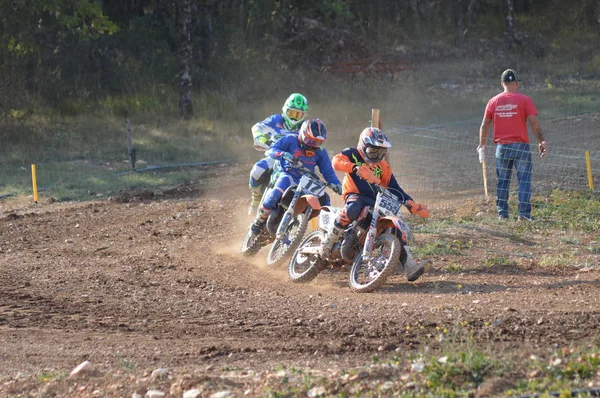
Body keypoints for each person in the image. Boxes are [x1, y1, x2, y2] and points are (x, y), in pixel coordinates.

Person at [320, 127, 430, 282]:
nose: (377, 156)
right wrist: (355, 167)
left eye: (381, 152)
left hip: (376, 201)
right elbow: (336, 162)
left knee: (396, 228)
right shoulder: (353, 153)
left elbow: (395, 188)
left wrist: (411, 204)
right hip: (355, 195)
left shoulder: (383, 167)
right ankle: (328, 242)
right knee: (354, 207)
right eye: (373, 151)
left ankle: (409, 265)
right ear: (363, 146)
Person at [250, 118, 343, 234]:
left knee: (325, 200)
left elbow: (328, 172)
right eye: (310, 141)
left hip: (306, 180)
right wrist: (283, 154)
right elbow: (271, 150)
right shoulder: (291, 139)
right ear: (303, 134)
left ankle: (311, 228)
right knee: (277, 192)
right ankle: (259, 221)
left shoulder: (321, 152)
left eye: (317, 142)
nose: (313, 146)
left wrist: (337, 185)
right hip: (288, 174)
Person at [478, 69, 547, 221]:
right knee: (524, 180)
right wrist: (541, 141)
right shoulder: (525, 100)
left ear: (502, 84)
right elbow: (534, 123)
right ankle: (523, 214)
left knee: (502, 181)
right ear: (516, 83)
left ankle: (502, 214)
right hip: (521, 146)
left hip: (502, 147)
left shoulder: (493, 101)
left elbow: (484, 125)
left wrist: (482, 145)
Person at [248, 93, 309, 215]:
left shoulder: (305, 127)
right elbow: (257, 127)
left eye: (299, 115)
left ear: (304, 115)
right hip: (274, 157)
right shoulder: (276, 120)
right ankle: (255, 198)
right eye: (292, 113)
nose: (295, 118)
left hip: (293, 162)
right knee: (257, 170)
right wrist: (261, 137)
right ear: (285, 110)